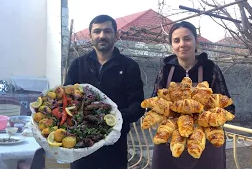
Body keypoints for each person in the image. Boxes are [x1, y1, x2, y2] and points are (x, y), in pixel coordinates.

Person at [64, 14, 145, 169]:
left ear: (116, 35)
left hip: (115, 144)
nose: (102, 35)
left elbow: (138, 105)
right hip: (82, 144)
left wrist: (114, 118)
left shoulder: (130, 67)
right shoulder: (78, 65)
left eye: (107, 31)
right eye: (97, 31)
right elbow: (66, 99)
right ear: (90, 36)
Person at [151, 21, 235, 169]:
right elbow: (153, 105)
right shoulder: (166, 70)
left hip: (206, 143)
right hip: (170, 141)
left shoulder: (210, 69)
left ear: (196, 41)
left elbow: (228, 108)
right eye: (176, 40)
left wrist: (202, 117)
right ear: (172, 45)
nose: (182, 44)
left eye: (187, 39)